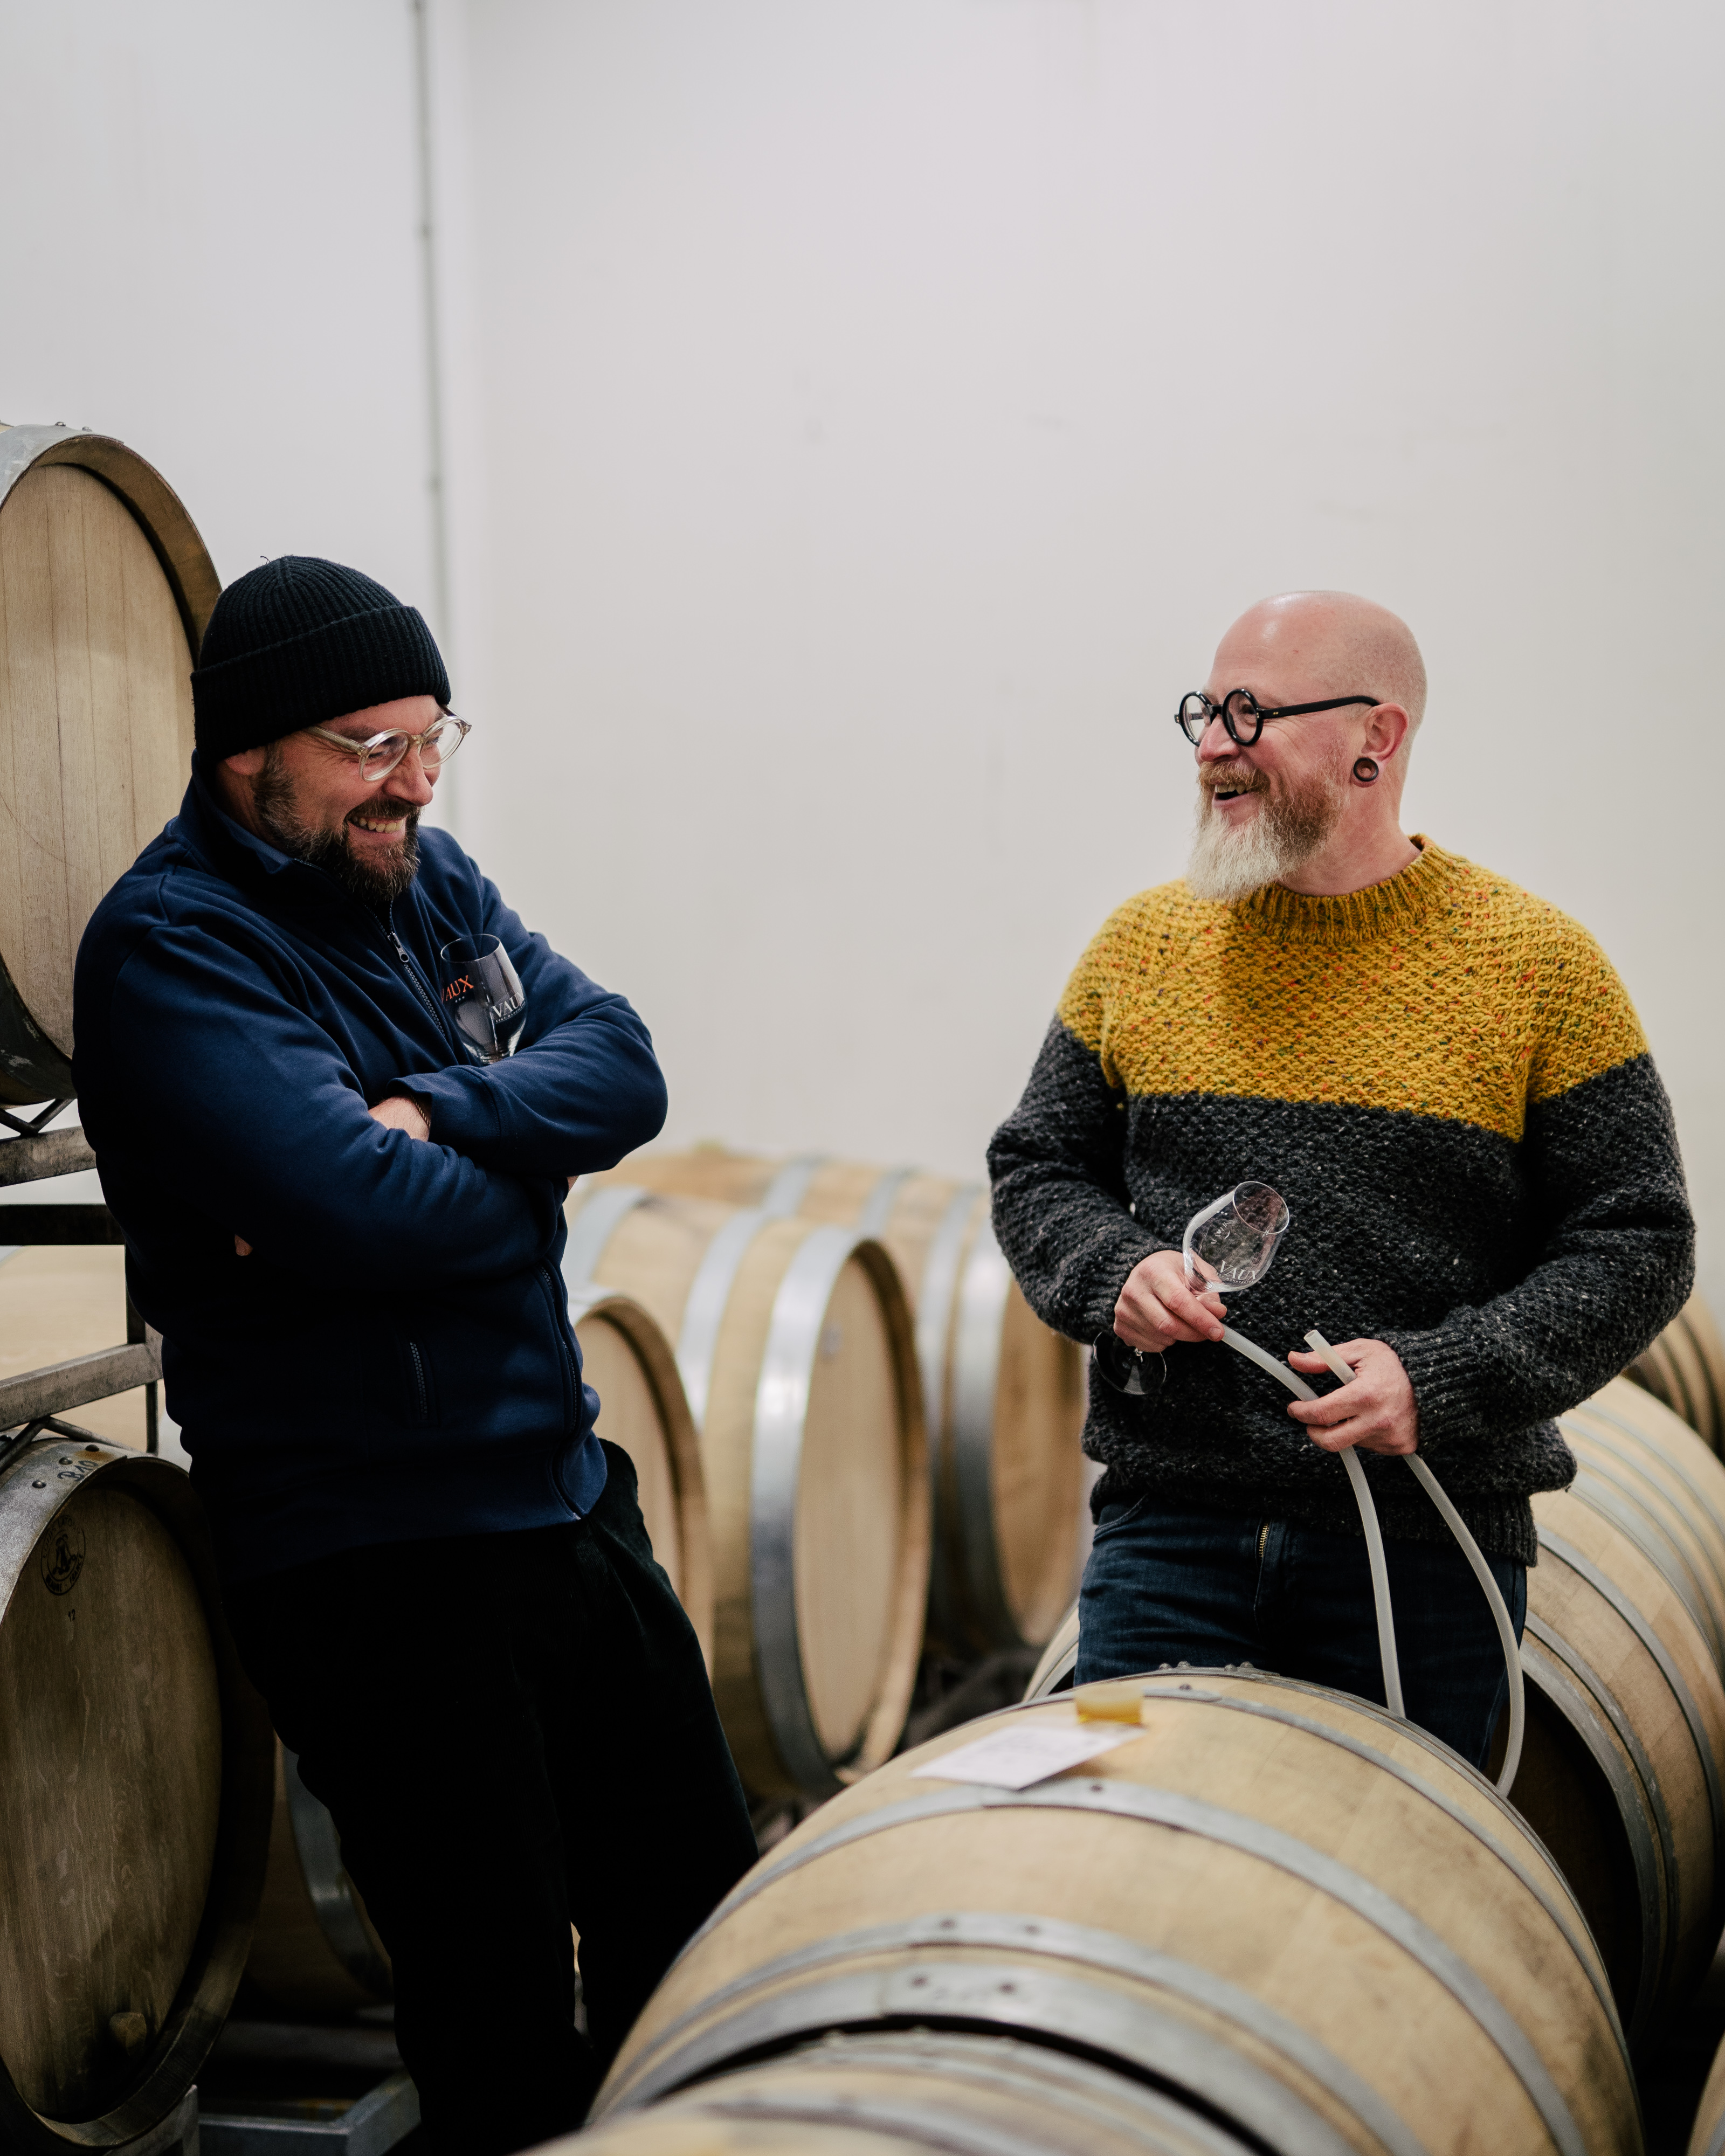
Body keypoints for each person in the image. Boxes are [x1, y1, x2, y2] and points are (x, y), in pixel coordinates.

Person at [73, 557, 756, 2154]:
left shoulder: (425, 882)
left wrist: (443, 1111)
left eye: (433, 736)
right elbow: (362, 1211)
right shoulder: (174, 947)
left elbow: (624, 1066)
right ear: (249, 749)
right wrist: (529, 1188)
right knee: (498, 2020)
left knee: (698, 1941)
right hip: (376, 1557)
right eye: (374, 747)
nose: (418, 782)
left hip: (565, 1500)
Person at [988, 589, 1694, 1767]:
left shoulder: (1538, 968)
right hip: (1166, 1534)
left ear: (1378, 736)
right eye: (1206, 712)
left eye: (1252, 713)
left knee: (1394, 1863)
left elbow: (1639, 1241)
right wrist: (1113, 1271)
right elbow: (1037, 1165)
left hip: (1424, 1552)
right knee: (1122, 1830)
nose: (1213, 746)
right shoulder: (1141, 947)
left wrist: (1442, 1376)